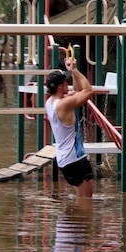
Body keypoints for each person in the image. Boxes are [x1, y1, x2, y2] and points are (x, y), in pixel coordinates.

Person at [45, 55, 96, 198]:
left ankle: (72, 219)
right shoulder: (63, 104)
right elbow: (87, 91)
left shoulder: (52, 102)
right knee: (85, 201)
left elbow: (78, 90)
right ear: (61, 86)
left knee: (86, 200)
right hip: (73, 159)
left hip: (69, 158)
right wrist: (74, 70)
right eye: (66, 82)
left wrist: (72, 72)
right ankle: (70, 220)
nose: (68, 84)